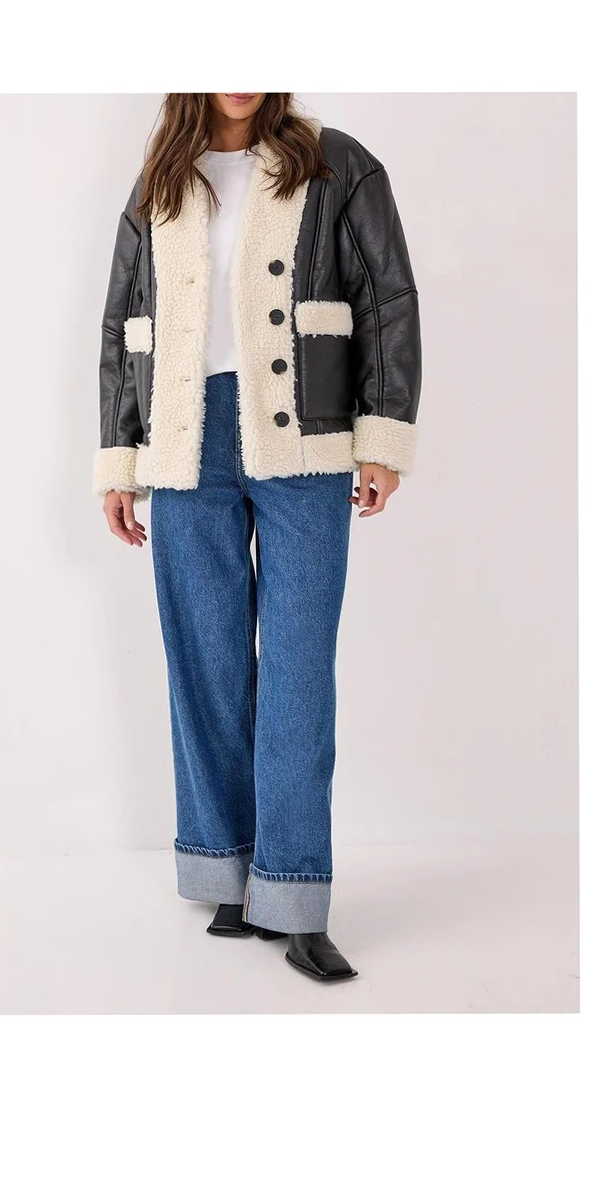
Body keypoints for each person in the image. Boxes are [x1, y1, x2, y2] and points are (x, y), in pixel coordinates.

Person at [94, 94, 421, 982]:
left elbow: (387, 300)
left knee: (298, 674)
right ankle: (227, 872)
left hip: (304, 437)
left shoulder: (336, 163)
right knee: (204, 665)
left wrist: (382, 437)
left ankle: (296, 895)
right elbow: (124, 323)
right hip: (185, 439)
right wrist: (121, 460)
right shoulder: (161, 179)